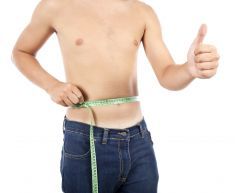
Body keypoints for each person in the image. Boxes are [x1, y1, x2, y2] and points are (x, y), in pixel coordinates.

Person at [11, 0, 220, 193]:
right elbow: (21, 52)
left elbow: (166, 74)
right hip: (86, 140)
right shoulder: (55, 6)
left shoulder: (142, 12)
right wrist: (52, 86)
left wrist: (189, 70)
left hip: (139, 141)